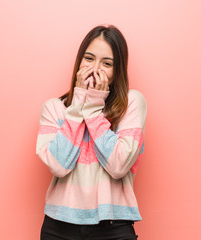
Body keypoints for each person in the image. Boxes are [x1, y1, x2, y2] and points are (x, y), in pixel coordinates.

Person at [36, 24, 147, 240]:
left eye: (107, 63)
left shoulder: (132, 103)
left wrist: (94, 104)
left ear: (117, 71)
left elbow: (118, 166)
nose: (95, 68)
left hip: (113, 226)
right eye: (89, 59)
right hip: (59, 226)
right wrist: (78, 105)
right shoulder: (54, 108)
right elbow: (58, 166)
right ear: (79, 62)